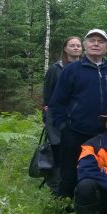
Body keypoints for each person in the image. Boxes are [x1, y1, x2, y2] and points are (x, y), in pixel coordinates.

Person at [50, 29, 107, 198]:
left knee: (104, 173)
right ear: (85, 45)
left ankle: (100, 211)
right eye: (92, 40)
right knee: (69, 174)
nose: (96, 44)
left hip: (104, 136)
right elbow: (56, 103)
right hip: (75, 133)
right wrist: (64, 128)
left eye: (101, 41)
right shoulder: (71, 70)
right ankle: (65, 213)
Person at [42, 36, 82, 193]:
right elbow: (48, 98)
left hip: (78, 121)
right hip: (59, 121)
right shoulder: (55, 69)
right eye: (72, 45)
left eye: (78, 45)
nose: (76, 48)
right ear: (65, 49)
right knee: (59, 155)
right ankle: (57, 191)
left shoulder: (85, 68)